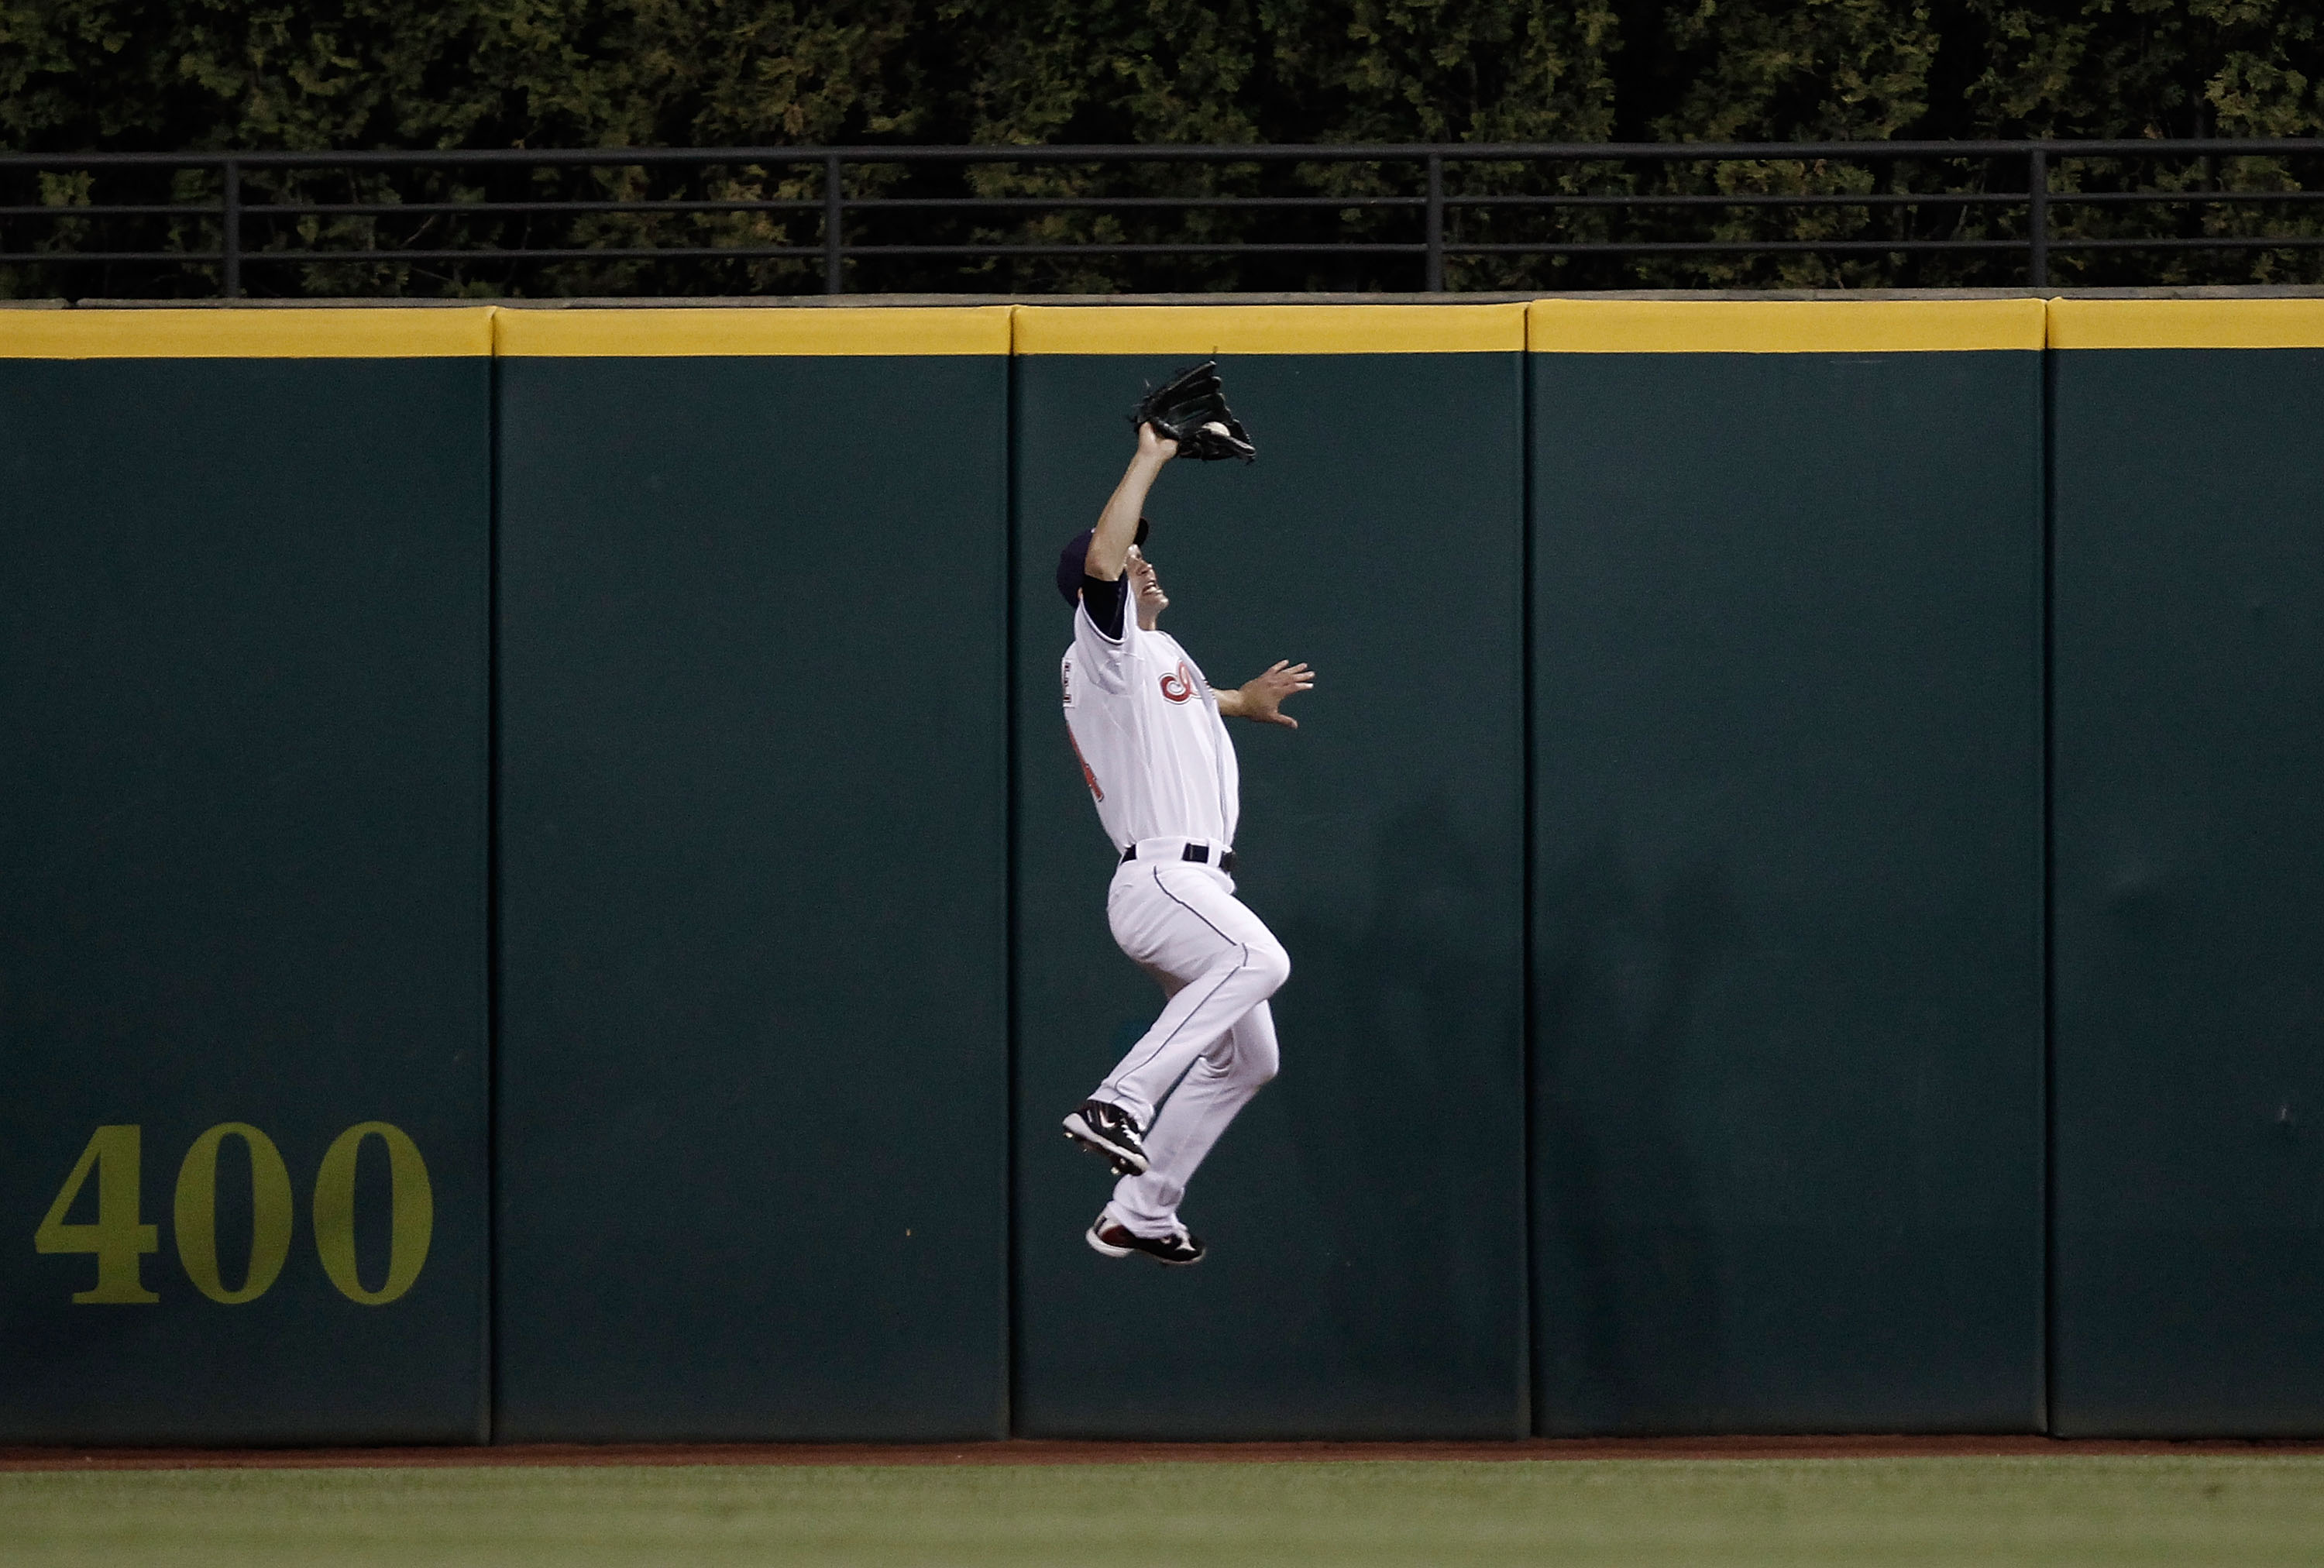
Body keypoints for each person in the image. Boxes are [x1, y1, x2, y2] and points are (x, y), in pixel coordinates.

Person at [1056, 421, 1315, 1265]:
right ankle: (1116, 1101)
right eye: (1135, 556)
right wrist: (1150, 456)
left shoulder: (1159, 656)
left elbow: (1191, 701)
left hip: (1193, 889)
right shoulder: (1104, 649)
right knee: (1261, 963)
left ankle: (1141, 1209)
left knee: (1249, 1059)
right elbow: (1102, 562)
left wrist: (1244, 699)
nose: (1143, 561)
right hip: (1163, 878)